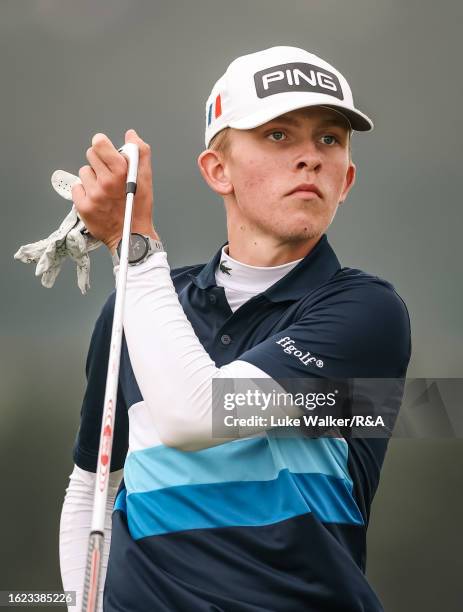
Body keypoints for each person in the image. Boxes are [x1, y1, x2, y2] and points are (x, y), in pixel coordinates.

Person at [59, 46, 411, 611]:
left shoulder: (367, 313)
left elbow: (199, 414)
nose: (311, 158)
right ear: (217, 170)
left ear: (346, 179)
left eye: (329, 139)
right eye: (278, 135)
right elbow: (90, 491)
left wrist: (133, 248)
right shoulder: (139, 304)